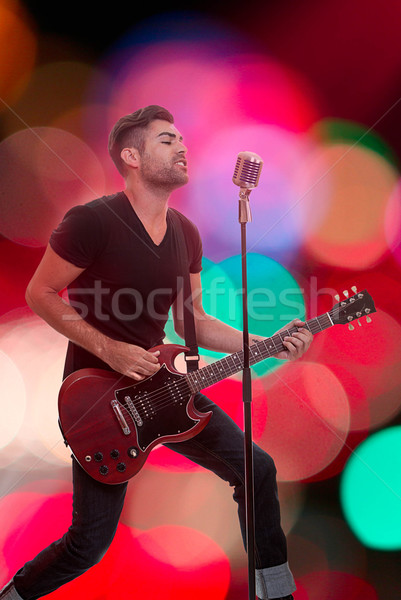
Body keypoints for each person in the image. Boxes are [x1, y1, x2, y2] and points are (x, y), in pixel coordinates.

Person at [0, 105, 313, 600]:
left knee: (257, 470)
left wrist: (267, 345)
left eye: (182, 139)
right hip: (101, 405)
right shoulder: (90, 222)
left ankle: (276, 594)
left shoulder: (186, 233)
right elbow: (40, 293)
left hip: (167, 391)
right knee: (89, 544)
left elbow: (193, 321)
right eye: (167, 140)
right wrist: (113, 352)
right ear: (132, 156)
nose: (182, 147)